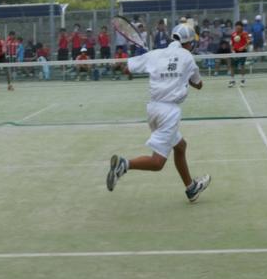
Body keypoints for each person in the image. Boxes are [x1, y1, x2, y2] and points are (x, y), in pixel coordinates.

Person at [106, 24, 210, 203]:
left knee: (180, 146)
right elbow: (199, 84)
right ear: (188, 43)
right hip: (169, 112)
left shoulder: (155, 54)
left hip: (153, 110)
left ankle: (191, 188)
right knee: (157, 163)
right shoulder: (188, 58)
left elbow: (126, 68)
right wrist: (181, 76)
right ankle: (124, 165)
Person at [229, 20, 250, 87]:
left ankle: (242, 80)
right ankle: (232, 80)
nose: (237, 29)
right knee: (232, 66)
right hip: (235, 51)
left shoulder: (245, 33)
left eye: (239, 28)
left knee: (242, 65)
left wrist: (243, 47)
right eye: (236, 28)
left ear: (241, 28)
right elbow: (231, 43)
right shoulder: (233, 34)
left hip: (243, 51)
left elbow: (248, 42)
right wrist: (232, 50)